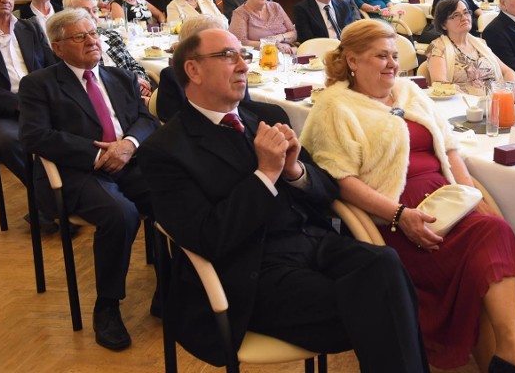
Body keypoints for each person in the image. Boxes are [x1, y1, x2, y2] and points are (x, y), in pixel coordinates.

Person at [141, 27, 429, 372]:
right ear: (193, 70)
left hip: (313, 242)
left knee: (386, 265)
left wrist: (294, 171)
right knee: (384, 307)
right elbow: (209, 237)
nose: (243, 67)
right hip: (251, 269)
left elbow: (328, 191)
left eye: (242, 55)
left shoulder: (266, 116)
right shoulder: (165, 150)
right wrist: (264, 175)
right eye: (228, 56)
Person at [301, 19, 515, 373]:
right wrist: (399, 214)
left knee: (493, 232)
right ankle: (514, 360)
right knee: (489, 247)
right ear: (352, 61)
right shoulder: (334, 106)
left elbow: (450, 149)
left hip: (449, 203)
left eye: (394, 55)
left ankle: (512, 355)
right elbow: (340, 180)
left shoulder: (409, 92)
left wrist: (471, 194)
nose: (392, 63)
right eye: (381, 56)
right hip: (397, 221)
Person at [19, 9, 159, 350]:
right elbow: (35, 135)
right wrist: (97, 155)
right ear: (58, 47)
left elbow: (146, 118)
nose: (92, 40)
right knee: (120, 214)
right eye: (80, 37)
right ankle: (107, 306)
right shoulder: (39, 84)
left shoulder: (120, 77)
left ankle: (170, 288)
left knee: (177, 194)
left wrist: (128, 144)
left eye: (93, 33)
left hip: (128, 161)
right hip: (75, 172)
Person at [0, 0, 55, 190]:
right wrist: (20, 103)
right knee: (7, 141)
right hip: (5, 111)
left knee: (78, 125)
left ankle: (74, 191)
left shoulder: (28, 28)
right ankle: (46, 199)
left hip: (42, 102)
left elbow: (51, 65)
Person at [427, 0, 515, 103]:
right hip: (466, 106)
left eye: (466, 12)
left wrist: (513, 88)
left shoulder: (480, 44)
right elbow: (440, 84)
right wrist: (476, 103)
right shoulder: (438, 47)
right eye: (456, 15)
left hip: (498, 100)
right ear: (443, 25)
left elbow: (507, 71)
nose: (464, 17)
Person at [62, 0, 151, 99]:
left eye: (94, 11)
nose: (92, 16)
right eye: (84, 11)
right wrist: (130, 82)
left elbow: (134, 65)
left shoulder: (112, 36)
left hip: (134, 94)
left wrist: (140, 82)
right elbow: (92, 79)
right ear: (68, 14)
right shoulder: (73, 44)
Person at [228, 0, 295, 53]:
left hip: (287, 53)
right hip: (259, 57)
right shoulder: (240, 13)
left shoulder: (276, 7)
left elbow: (293, 32)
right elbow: (241, 42)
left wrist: (280, 37)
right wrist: (272, 45)